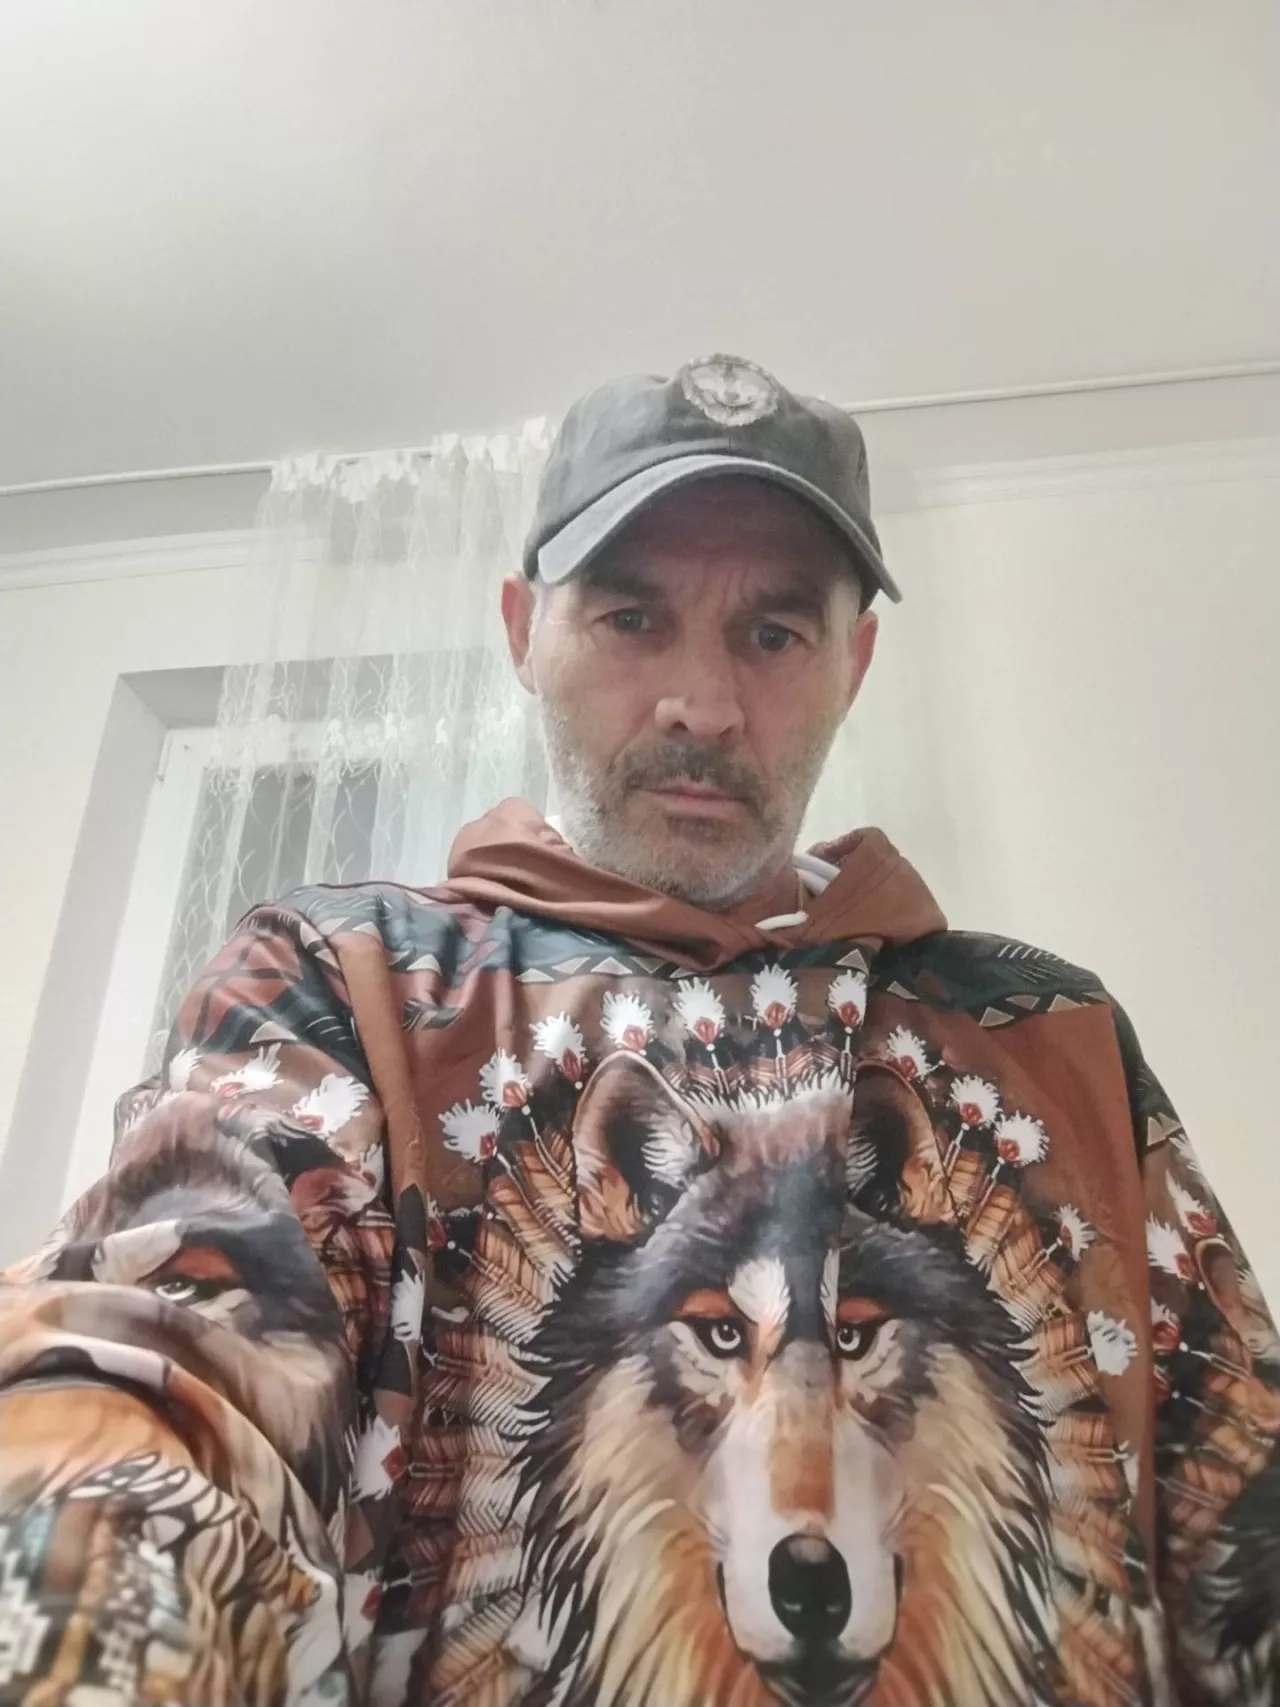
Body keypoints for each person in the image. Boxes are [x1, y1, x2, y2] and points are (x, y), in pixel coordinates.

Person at [0, 354, 1276, 1707]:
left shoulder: (1052, 1039)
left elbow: (1242, 1505)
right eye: (631, 618)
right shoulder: (347, 987)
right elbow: (159, 1358)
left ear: (854, 665)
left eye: (773, 634)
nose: (703, 705)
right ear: (522, 630)